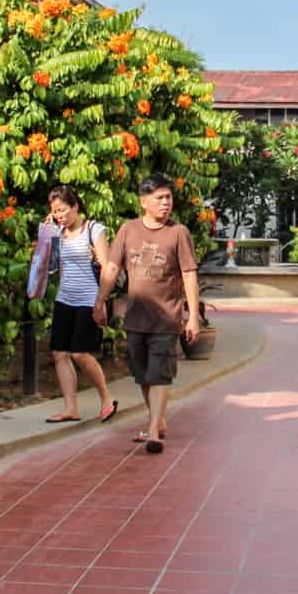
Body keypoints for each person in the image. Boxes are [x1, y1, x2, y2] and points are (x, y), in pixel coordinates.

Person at [94, 176, 201, 454]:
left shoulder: (179, 233)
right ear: (144, 202)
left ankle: (153, 430)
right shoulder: (128, 230)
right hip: (136, 317)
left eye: (168, 197)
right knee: (142, 374)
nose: (166, 203)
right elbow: (113, 269)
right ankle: (158, 418)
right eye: (159, 198)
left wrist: (192, 317)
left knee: (160, 373)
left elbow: (189, 275)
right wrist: (100, 301)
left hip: (167, 318)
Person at [40, 186, 118, 424]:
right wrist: (47, 233)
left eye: (62, 210)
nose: (59, 216)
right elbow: (49, 265)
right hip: (65, 298)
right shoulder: (57, 232)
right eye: (55, 212)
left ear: (75, 206)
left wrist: (101, 302)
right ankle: (70, 408)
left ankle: (107, 399)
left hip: (88, 299)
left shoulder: (94, 230)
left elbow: (107, 267)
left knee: (80, 353)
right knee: (60, 354)